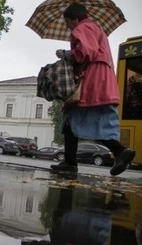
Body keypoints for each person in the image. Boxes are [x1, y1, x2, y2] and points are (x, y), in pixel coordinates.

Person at [50, 3, 135, 175]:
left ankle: (70, 162)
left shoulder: (82, 28)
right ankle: (119, 151)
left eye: (67, 21)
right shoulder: (96, 29)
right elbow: (93, 49)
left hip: (91, 80)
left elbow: (86, 52)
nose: (67, 26)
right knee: (97, 120)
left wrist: (66, 54)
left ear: (75, 18)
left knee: (70, 117)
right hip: (103, 79)